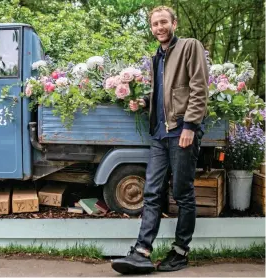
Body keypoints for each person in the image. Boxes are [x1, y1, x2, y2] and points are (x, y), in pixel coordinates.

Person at [111, 5, 208, 274]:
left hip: (181, 132)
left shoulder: (190, 46)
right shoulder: (157, 56)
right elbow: (162, 93)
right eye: (155, 24)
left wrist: (190, 126)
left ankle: (180, 252)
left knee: (182, 193)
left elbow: (199, 87)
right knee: (151, 192)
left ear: (174, 23)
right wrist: (143, 101)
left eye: (163, 22)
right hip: (160, 135)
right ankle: (142, 251)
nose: (159, 28)